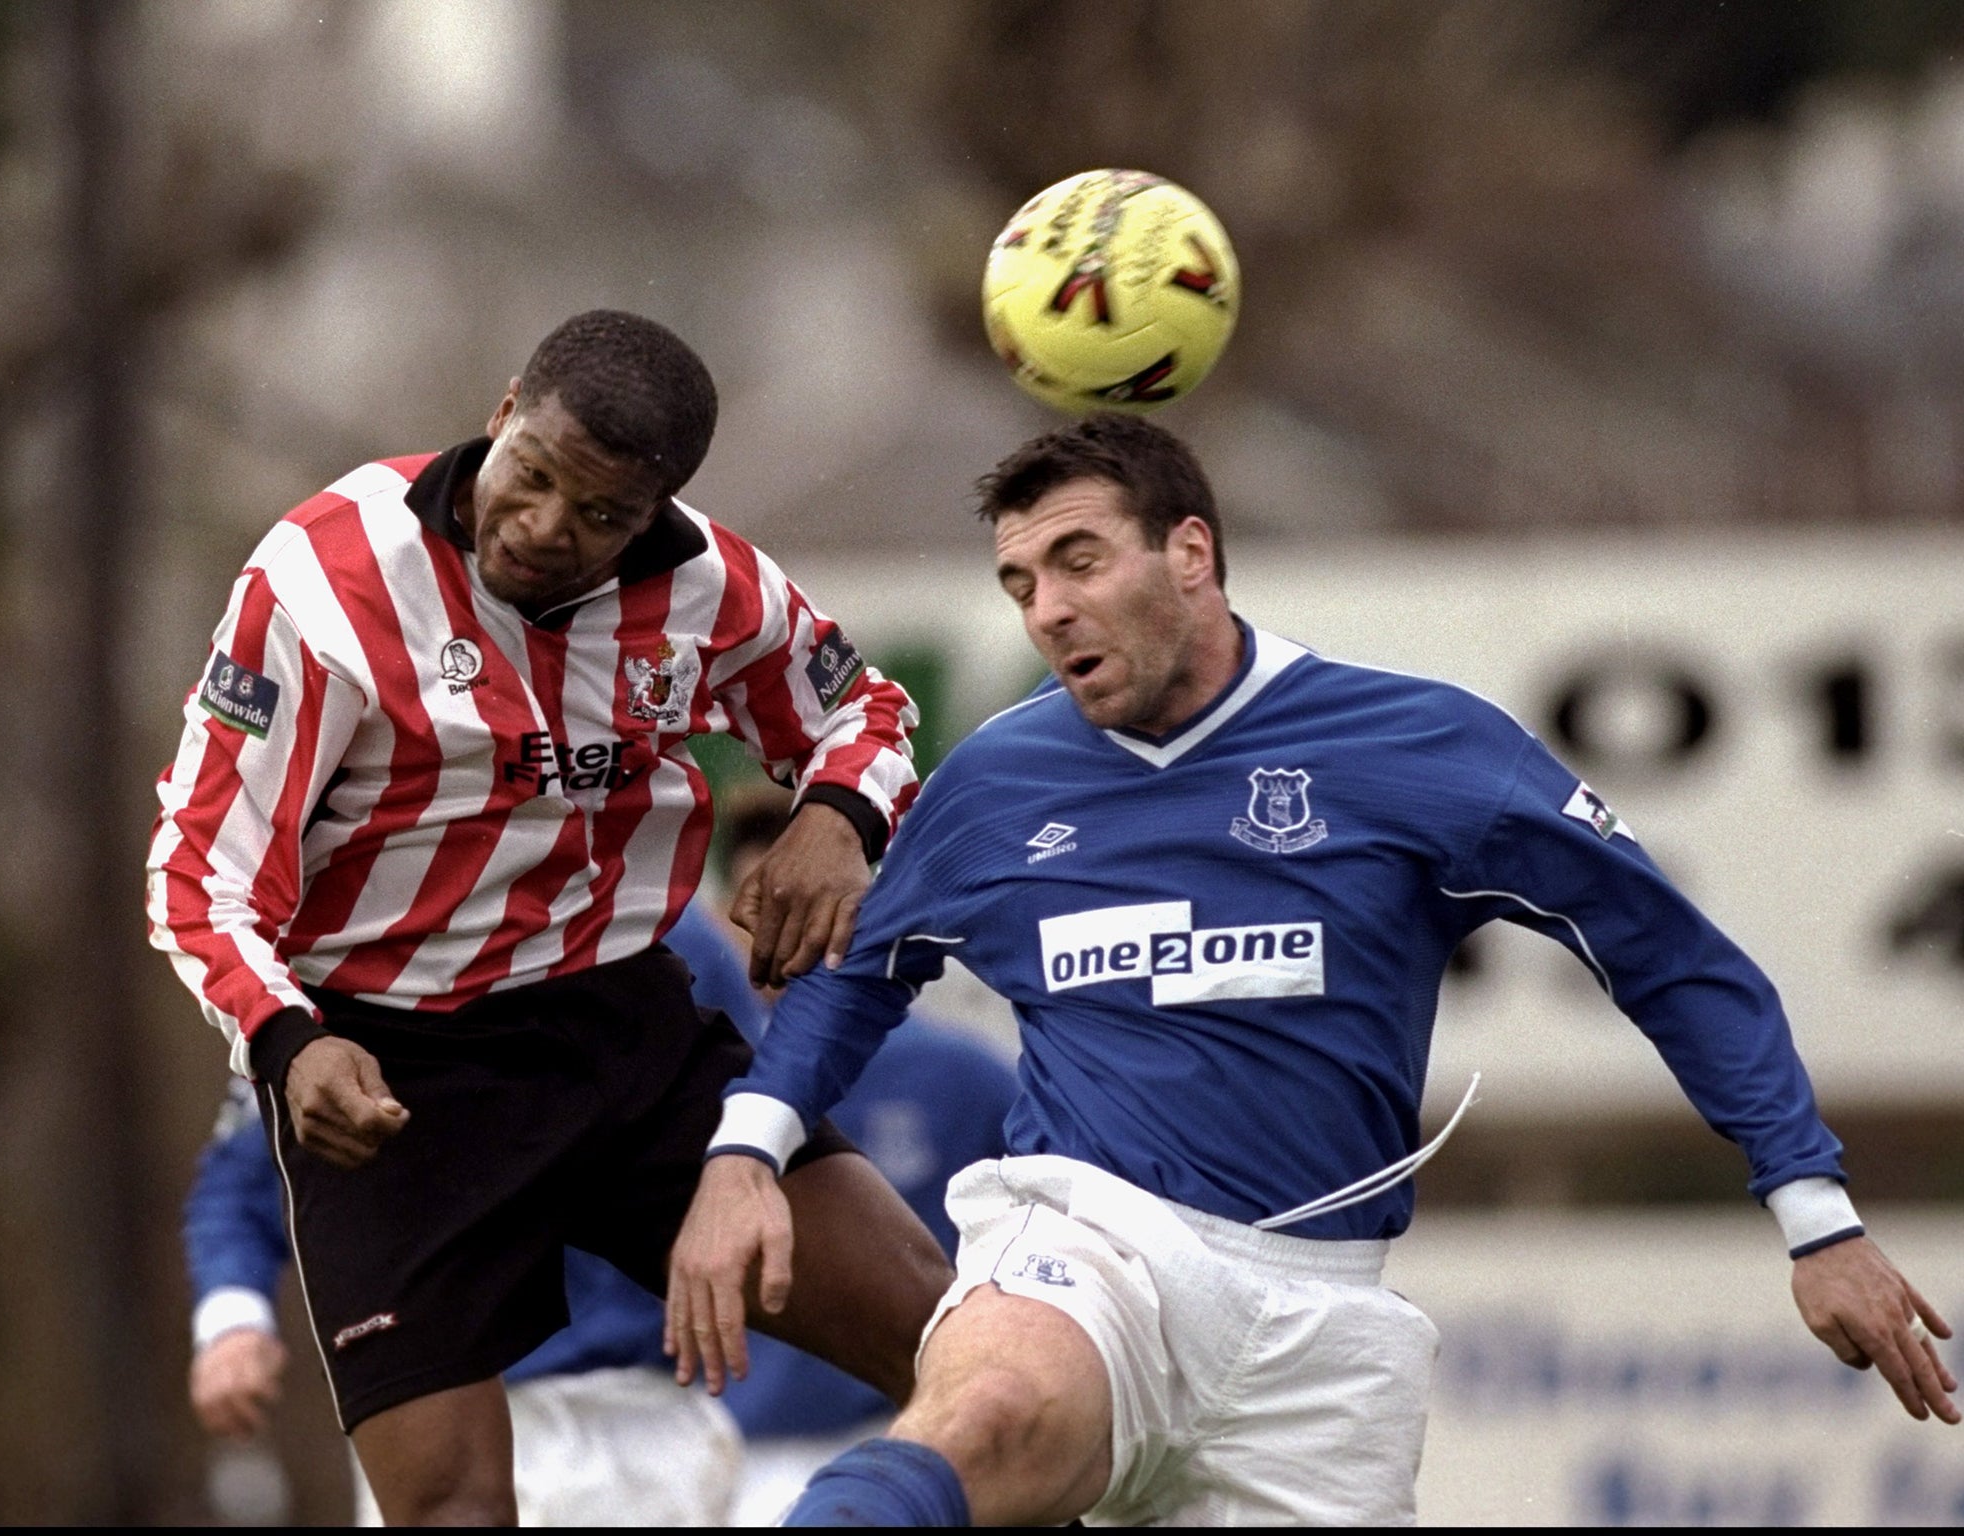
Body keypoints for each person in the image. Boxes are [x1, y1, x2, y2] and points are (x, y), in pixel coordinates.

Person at [665, 412, 1960, 1527]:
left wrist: (1816, 1214)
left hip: (1321, 1321)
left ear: (1191, 553)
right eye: (1019, 584)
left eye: (1077, 559)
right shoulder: (998, 780)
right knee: (990, 1409)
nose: (1049, 608)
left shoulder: (1416, 746)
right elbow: (856, 974)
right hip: (1093, 1237)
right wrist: (745, 1155)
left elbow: (1671, 958)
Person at [144, 309, 952, 1525]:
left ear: (659, 510)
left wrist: (835, 820)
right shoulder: (322, 582)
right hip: (395, 1074)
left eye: (600, 515)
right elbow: (197, 868)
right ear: (504, 409)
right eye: (532, 477)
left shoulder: (711, 591)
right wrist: (284, 1039)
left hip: (618, 1025)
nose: (543, 529)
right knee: (456, 1510)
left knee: (954, 1347)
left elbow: (869, 712)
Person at [184, 903, 762, 1526]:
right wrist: (233, 1316)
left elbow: (750, 1111)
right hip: (422, 1411)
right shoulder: (340, 941)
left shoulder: (656, 914)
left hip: (623, 1410)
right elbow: (245, 1164)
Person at [700, 795, 1018, 1525]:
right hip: (725, 1450)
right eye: (760, 911)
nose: (781, 937)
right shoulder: (695, 1079)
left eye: (804, 908)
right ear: (725, 918)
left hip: (903, 1432)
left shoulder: (961, 1075)